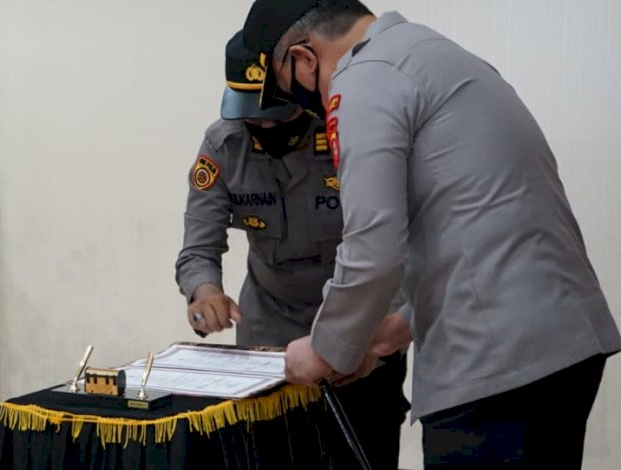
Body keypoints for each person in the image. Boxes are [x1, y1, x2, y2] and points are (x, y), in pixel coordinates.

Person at [241, 0, 621, 467]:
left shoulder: (363, 78)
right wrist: (386, 334)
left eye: (294, 88)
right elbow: (474, 227)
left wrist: (323, 351)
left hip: (491, 371)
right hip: (564, 348)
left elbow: (372, 244)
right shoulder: (438, 55)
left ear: (303, 57)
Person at [175, 30, 407, 469]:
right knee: (270, 457)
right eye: (253, 120)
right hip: (269, 332)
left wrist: (379, 333)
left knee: (362, 453)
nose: (263, 129)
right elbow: (198, 244)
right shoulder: (224, 146)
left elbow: (398, 243)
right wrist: (205, 291)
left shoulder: (350, 136)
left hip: (357, 322)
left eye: (275, 118)